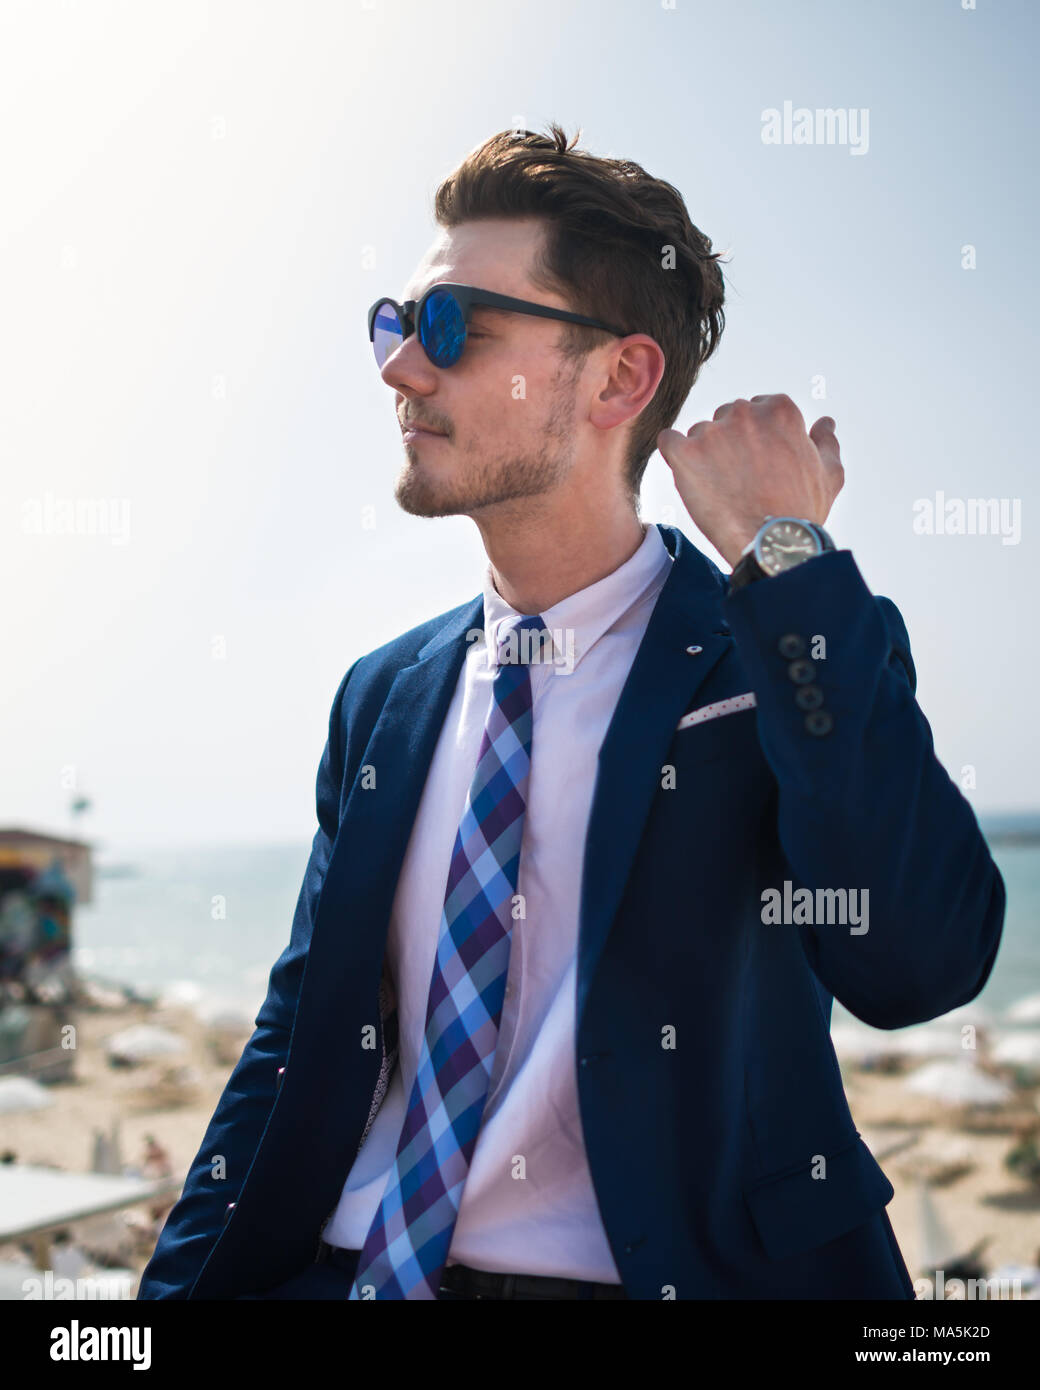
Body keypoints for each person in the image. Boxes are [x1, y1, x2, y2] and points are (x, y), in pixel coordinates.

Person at [137, 124, 1005, 1301]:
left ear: (619, 379)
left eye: (450, 329)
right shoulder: (382, 695)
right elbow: (296, 1038)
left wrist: (786, 560)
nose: (400, 369)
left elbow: (917, 964)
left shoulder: (781, 651)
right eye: (394, 326)